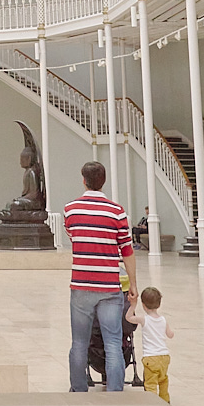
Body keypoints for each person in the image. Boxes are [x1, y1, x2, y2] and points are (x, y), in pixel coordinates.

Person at [63, 161, 137, 393]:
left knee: (79, 343)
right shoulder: (117, 212)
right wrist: (133, 283)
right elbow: (127, 251)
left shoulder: (71, 210)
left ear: (83, 180)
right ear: (103, 181)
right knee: (113, 342)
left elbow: (73, 237)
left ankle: (79, 390)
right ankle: (115, 392)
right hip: (109, 286)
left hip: (81, 285)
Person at [127, 286, 173, 402]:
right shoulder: (163, 319)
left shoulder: (144, 319)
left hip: (151, 357)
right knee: (163, 380)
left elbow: (129, 318)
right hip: (164, 357)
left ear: (143, 304)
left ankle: (152, 403)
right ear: (159, 304)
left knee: (150, 383)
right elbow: (170, 334)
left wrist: (132, 305)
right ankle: (165, 401)